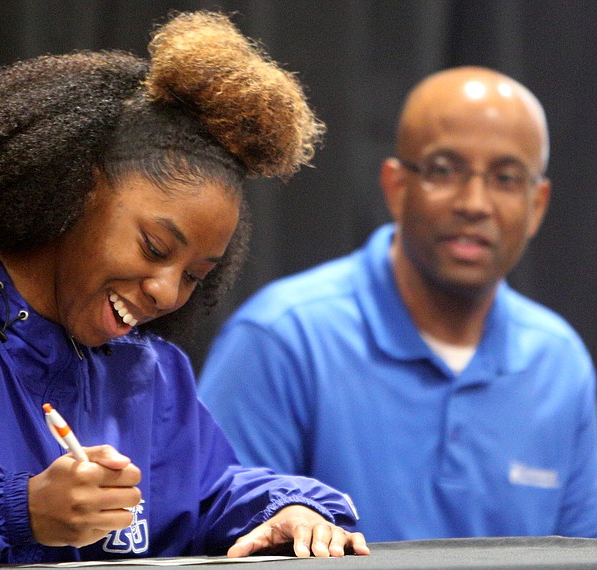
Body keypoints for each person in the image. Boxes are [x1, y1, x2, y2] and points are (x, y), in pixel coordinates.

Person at [0, 11, 370, 568]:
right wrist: (12, 510)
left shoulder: (150, 370)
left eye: (196, 274)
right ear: (75, 189)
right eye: (154, 248)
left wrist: (285, 508)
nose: (168, 292)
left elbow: (207, 493)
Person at [199, 66, 597, 542]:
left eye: (506, 178)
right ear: (396, 187)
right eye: (445, 170)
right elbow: (221, 533)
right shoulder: (285, 338)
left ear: (538, 205)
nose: (475, 202)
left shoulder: (560, 366)